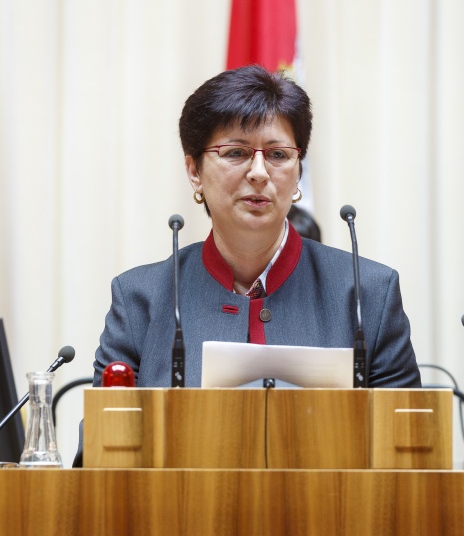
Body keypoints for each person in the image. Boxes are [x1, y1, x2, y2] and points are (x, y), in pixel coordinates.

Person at [93, 65, 420, 392]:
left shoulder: (369, 294)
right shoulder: (140, 299)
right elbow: (102, 442)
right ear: (194, 171)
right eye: (236, 152)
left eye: (278, 154)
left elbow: (403, 439)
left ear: (297, 172)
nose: (260, 172)